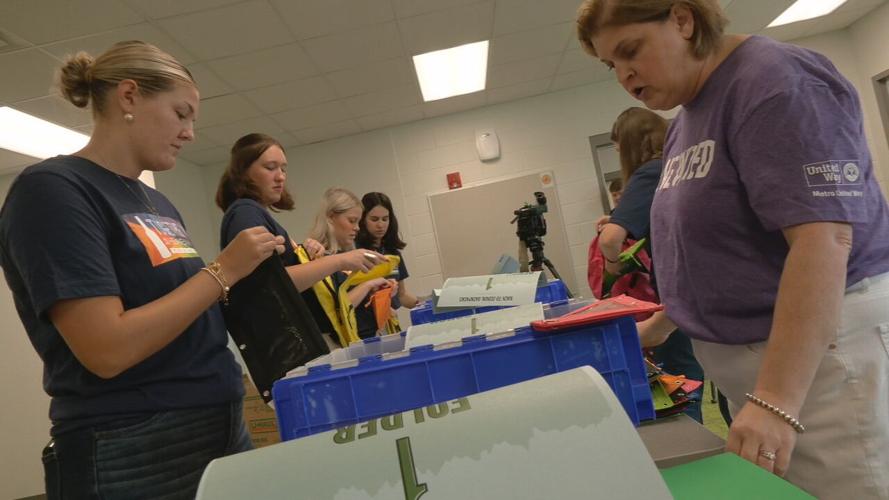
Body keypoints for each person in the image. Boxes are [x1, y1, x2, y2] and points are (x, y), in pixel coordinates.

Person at [577, 1, 889, 498]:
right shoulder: (689, 118)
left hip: (823, 372)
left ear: (682, 20)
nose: (624, 74)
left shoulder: (774, 82)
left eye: (630, 50)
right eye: (610, 64)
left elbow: (824, 239)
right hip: (761, 372)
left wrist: (775, 401)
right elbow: (714, 253)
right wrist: (659, 326)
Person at [0, 41, 286, 499]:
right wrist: (222, 271)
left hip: (219, 419)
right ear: (129, 97)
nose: (190, 132)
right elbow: (106, 348)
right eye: (181, 113)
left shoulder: (156, 202)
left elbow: (185, 306)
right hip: (134, 441)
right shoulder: (54, 191)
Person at [216, 134, 388, 346]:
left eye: (283, 169)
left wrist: (306, 257)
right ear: (243, 172)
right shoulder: (245, 213)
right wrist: (340, 261)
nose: (280, 176)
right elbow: (272, 286)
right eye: (270, 167)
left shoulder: (256, 213)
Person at [597, 107, 705, 424]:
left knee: (679, 379)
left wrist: (613, 265)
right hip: (700, 291)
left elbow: (610, 241)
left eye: (619, 150)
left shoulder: (648, 172)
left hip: (679, 294)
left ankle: (690, 445)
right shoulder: (677, 166)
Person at [304, 187, 397, 346]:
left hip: (365, 338)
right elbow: (336, 311)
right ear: (331, 217)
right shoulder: (315, 258)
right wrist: (368, 285)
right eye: (352, 221)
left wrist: (379, 291)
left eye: (358, 222)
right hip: (343, 345)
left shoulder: (344, 255)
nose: (357, 228)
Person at [354, 192, 419, 338]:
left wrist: (423, 305)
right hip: (365, 330)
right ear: (362, 220)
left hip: (389, 326)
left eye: (385, 219)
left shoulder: (392, 252)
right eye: (374, 219)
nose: (380, 225)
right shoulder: (356, 252)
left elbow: (402, 295)